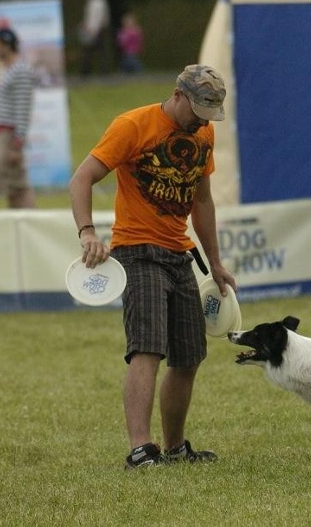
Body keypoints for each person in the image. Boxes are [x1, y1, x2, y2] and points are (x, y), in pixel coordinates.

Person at [69, 64, 237, 469]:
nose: (202, 121)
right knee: (147, 348)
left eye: (209, 115)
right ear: (178, 95)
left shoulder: (204, 135)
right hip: (137, 251)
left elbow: (202, 201)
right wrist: (88, 233)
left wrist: (214, 262)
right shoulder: (132, 125)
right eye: (197, 110)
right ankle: (141, 449)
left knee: (190, 356)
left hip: (180, 254)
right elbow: (81, 179)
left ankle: (176, 447)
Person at [0, 27, 37, 209]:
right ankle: (19, 226)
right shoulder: (11, 70)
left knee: (19, 186)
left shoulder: (21, 70)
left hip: (9, 135)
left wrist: (17, 144)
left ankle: (31, 224)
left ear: (6, 45)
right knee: (9, 187)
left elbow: (23, 107)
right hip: (3, 134)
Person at [78, 0, 110, 77]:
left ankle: (86, 71)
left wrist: (92, 29)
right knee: (100, 51)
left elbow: (96, 18)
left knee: (89, 50)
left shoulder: (96, 2)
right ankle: (102, 70)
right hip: (97, 29)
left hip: (95, 29)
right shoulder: (99, 1)